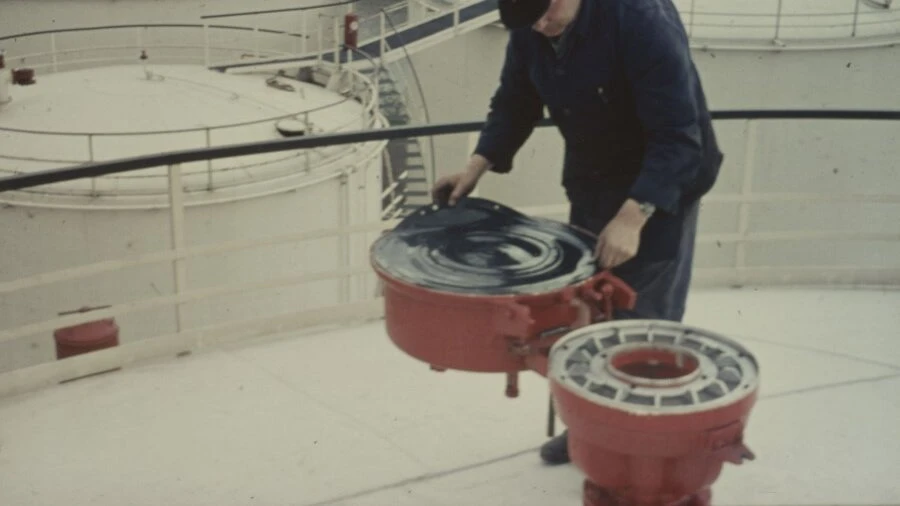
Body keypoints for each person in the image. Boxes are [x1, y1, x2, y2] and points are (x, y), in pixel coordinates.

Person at [430, 0, 725, 465]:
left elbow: (676, 135)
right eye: (529, 20)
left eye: (545, 13)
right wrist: (476, 166)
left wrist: (633, 217)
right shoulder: (532, 21)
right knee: (585, 315)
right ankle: (590, 431)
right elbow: (515, 100)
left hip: (663, 187)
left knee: (644, 317)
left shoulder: (640, 20)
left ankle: (640, 451)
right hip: (595, 180)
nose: (539, 26)